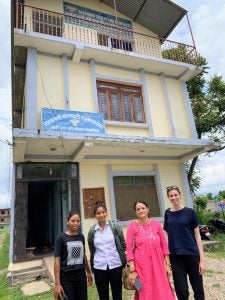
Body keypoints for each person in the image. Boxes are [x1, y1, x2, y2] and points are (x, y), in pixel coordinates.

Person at [126, 201, 175, 300]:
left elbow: (164, 246)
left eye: (143, 208)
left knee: (162, 289)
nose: (141, 211)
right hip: (141, 267)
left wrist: (167, 265)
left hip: (159, 265)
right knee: (143, 290)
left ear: (148, 209)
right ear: (135, 212)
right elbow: (129, 248)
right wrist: (132, 270)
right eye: (138, 209)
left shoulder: (156, 224)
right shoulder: (132, 226)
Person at [164, 185, 206, 300]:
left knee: (198, 290)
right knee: (181, 291)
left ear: (180, 195)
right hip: (176, 257)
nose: (173, 198)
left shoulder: (190, 212)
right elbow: (167, 236)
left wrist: (202, 260)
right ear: (168, 198)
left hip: (192, 255)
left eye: (175, 195)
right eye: (171, 196)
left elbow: (198, 236)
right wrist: (167, 259)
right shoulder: (167, 213)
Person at [87, 203, 126, 300]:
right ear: (95, 215)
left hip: (115, 265)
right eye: (98, 213)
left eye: (103, 212)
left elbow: (122, 243)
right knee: (103, 296)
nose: (101, 215)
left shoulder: (114, 227)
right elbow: (92, 248)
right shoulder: (92, 231)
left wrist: (123, 260)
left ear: (106, 213)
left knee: (117, 295)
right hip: (99, 267)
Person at [54, 211, 93, 300]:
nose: (75, 223)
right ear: (67, 222)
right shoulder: (61, 238)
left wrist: (89, 272)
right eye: (73, 221)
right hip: (66, 278)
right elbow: (57, 260)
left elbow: (83, 256)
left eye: (78, 221)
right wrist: (57, 284)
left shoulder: (81, 237)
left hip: (81, 276)